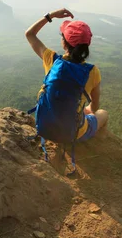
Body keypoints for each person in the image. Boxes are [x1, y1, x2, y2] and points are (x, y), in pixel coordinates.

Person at [25, 8, 109, 142]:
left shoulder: (52, 60)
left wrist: (50, 16)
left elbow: (29, 34)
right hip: (74, 134)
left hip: (45, 128)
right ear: (86, 46)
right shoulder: (92, 72)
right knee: (103, 113)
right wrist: (85, 110)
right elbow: (94, 107)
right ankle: (99, 143)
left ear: (64, 42)